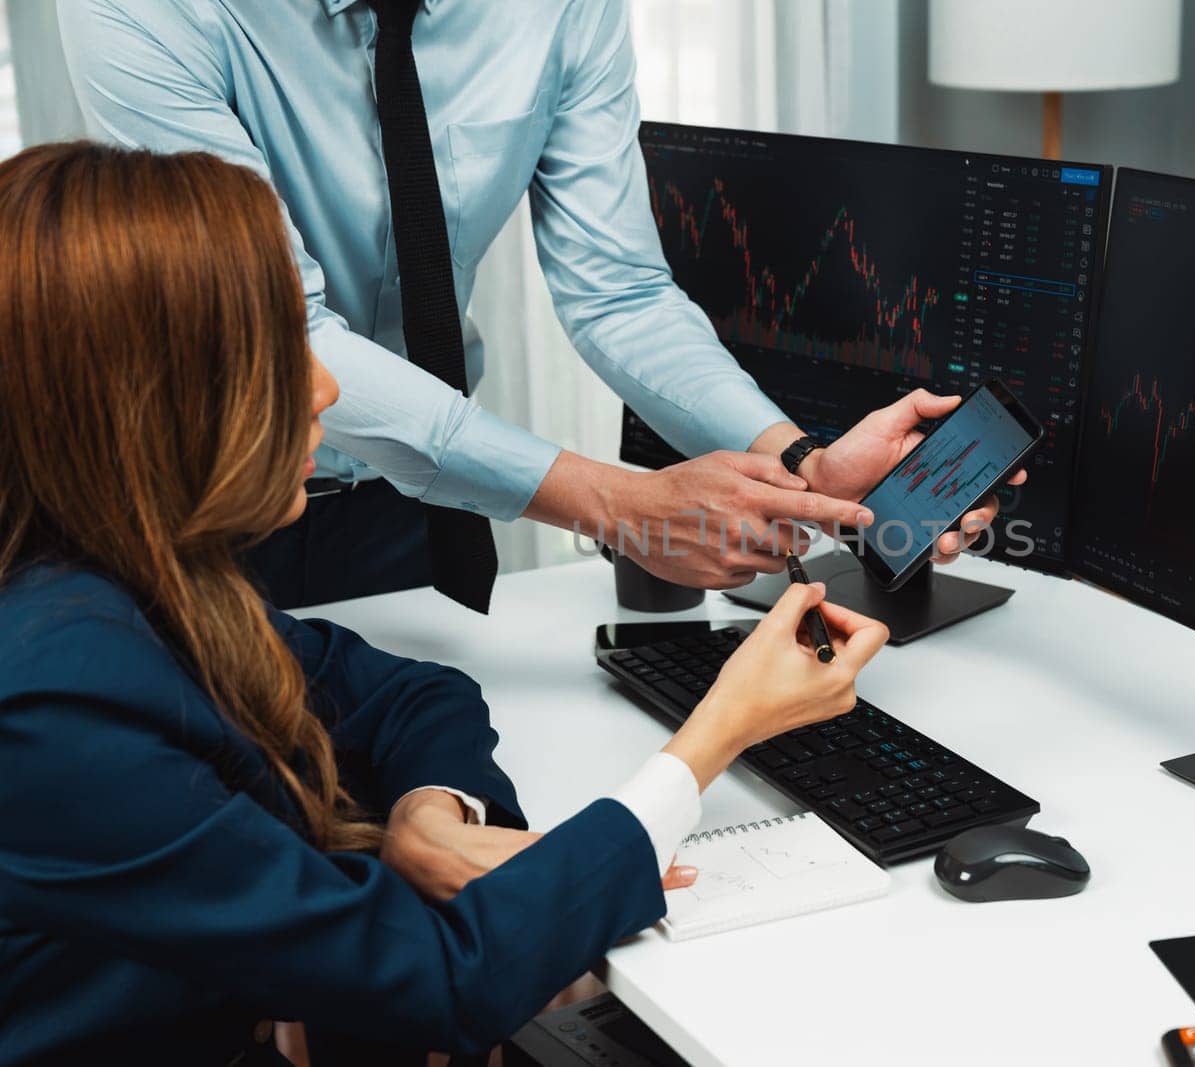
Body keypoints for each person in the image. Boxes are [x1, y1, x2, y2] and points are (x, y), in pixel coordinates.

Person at [0, 143, 889, 1065]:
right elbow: (445, 979)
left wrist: (430, 814)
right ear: (146, 400)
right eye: (273, 348)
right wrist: (716, 735)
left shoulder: (130, 585)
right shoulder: (57, 701)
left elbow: (407, 693)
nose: (327, 388)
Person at [58, 0, 1022, 612]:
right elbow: (280, 333)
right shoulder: (144, 12)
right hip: (192, 509)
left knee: (421, 801)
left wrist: (802, 465)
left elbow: (619, 291)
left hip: (407, 504)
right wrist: (619, 505)